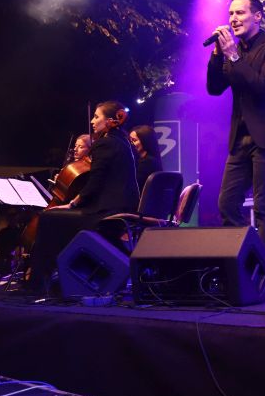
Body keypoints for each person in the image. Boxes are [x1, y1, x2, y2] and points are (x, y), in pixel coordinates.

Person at [208, 0, 265, 259]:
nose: (233, 19)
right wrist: (218, 55)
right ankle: (245, 260)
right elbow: (214, 88)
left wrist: (234, 57)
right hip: (240, 139)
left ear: (257, 16)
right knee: (227, 203)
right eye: (231, 14)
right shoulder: (234, 51)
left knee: (263, 205)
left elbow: (264, 86)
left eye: (240, 12)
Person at [27, 100, 140, 292]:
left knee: (48, 217)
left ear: (110, 120)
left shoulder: (104, 143)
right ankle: (58, 280)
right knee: (57, 219)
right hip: (122, 207)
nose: (92, 121)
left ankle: (38, 284)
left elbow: (95, 182)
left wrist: (72, 203)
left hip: (107, 212)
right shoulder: (123, 142)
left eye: (96, 117)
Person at [129, 125, 163, 192]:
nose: (130, 144)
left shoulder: (147, 163)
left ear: (145, 141)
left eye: (134, 140)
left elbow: (131, 186)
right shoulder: (153, 161)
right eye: (129, 140)